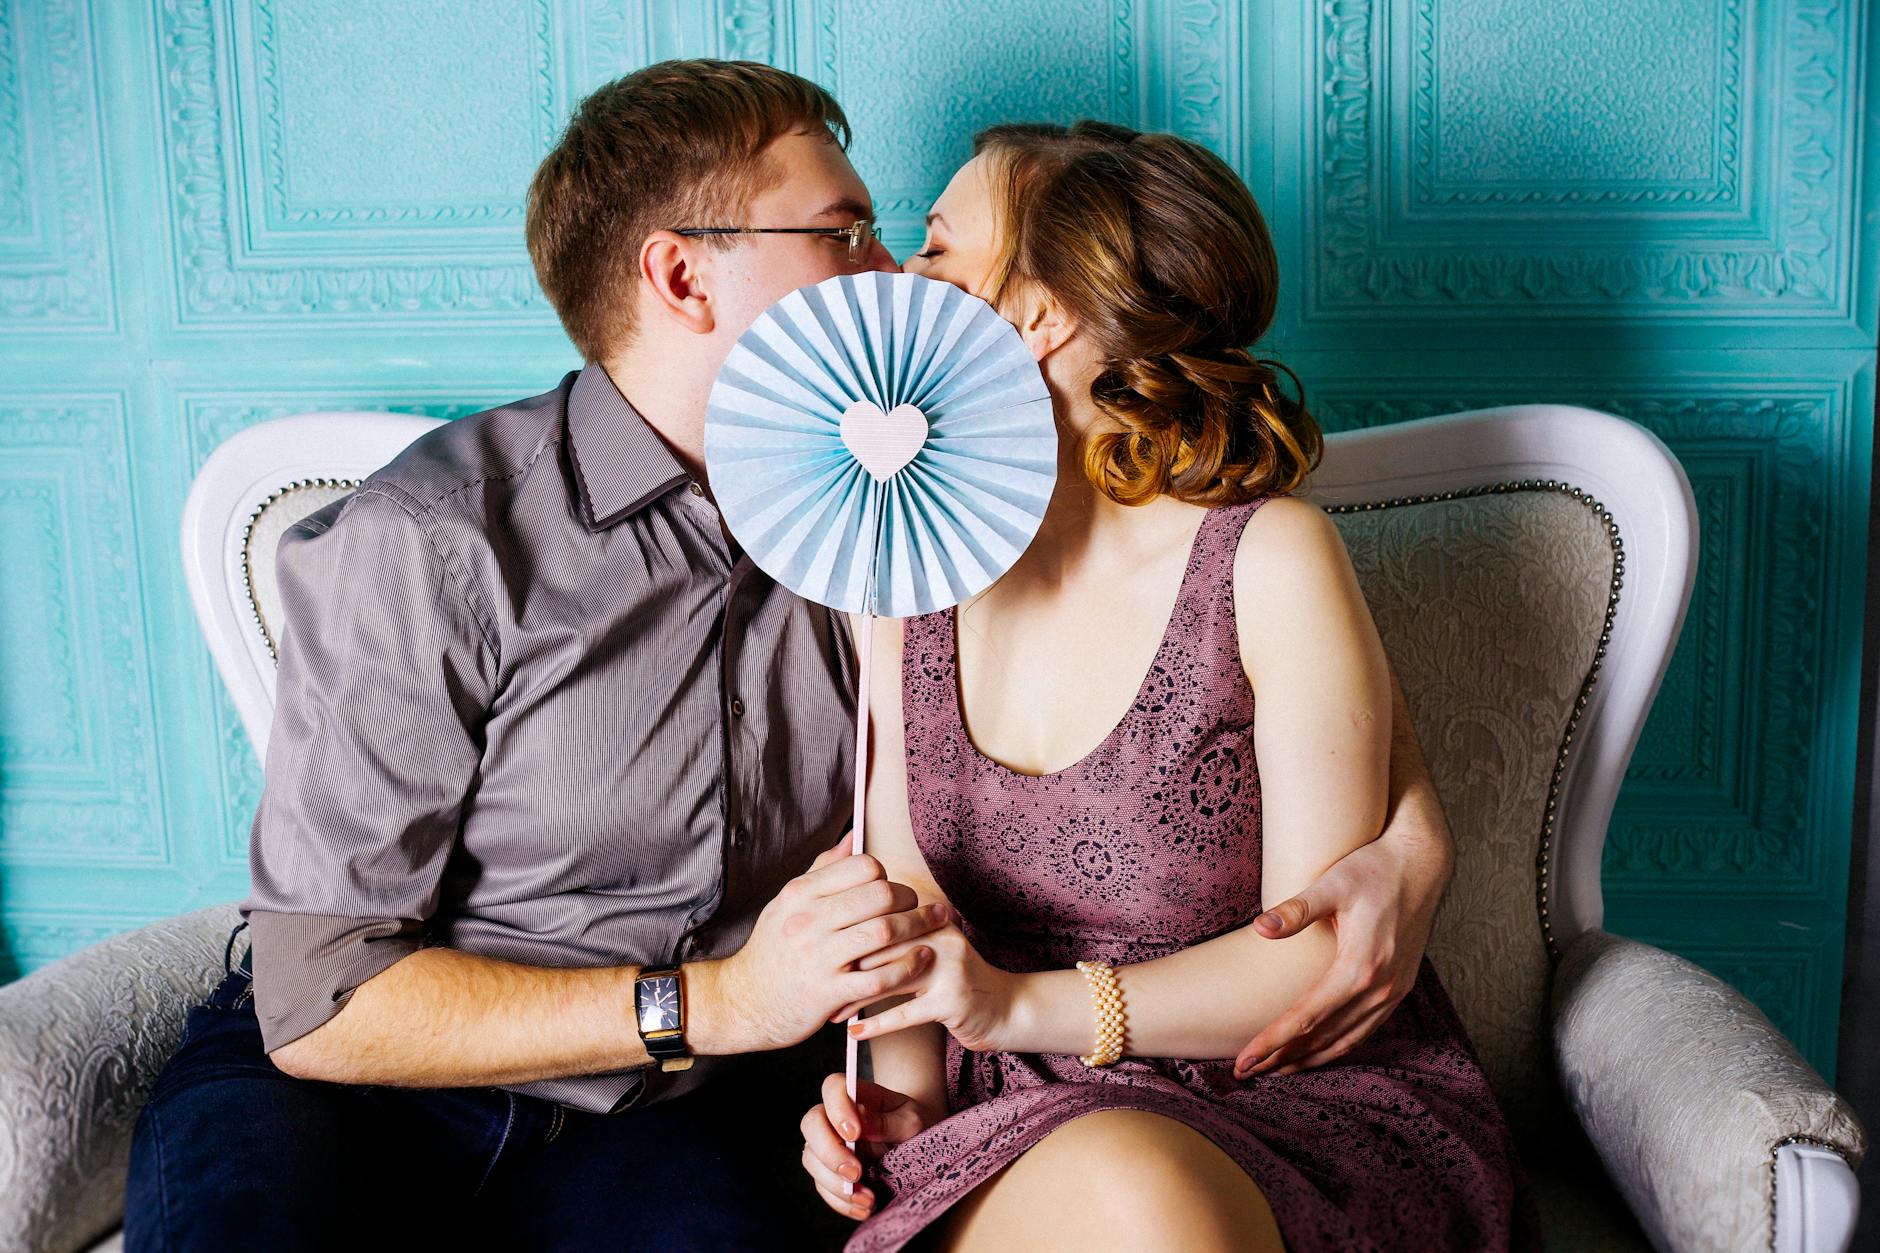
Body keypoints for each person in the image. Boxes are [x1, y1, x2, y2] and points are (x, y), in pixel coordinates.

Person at [123, 57, 1454, 1251]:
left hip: (665, 1118)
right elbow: (320, 1002)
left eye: (906, 238)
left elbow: (1186, 685)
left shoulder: (905, 522)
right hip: (373, 1090)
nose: (884, 274)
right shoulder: (436, 537)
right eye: (847, 233)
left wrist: (1414, 838)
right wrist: (721, 1001)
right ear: (681, 275)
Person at [798, 121, 1543, 1252]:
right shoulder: (903, 574)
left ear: (1035, 313)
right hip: (1010, 1123)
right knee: (1113, 1185)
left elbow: (1313, 950)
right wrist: (904, 1104)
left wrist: (1015, 1005)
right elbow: (908, 909)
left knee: (1139, 1190)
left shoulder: (1265, 558)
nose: (902, 274)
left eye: (939, 251)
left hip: (1281, 1104)